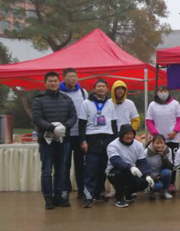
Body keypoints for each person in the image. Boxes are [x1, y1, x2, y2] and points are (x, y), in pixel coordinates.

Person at [33, 71, 77, 210]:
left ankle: (59, 196)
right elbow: (37, 118)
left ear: (59, 82)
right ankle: (48, 198)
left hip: (63, 141)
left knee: (61, 170)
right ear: (45, 83)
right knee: (47, 171)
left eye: (55, 81)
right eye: (50, 81)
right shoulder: (39, 100)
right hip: (46, 142)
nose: (53, 83)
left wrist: (65, 127)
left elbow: (73, 116)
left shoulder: (66, 99)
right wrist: (52, 128)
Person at [79, 78, 118, 208]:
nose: (101, 88)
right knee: (91, 169)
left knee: (103, 168)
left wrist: (116, 141)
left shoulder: (110, 103)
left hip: (107, 138)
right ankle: (88, 196)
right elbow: (82, 123)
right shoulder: (86, 103)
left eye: (103, 86)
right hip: (92, 138)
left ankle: (99, 193)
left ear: (107, 89)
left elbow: (113, 123)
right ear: (94, 89)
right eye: (98, 86)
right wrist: (83, 140)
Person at [105, 125, 151, 208]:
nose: (129, 136)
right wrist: (130, 167)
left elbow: (141, 163)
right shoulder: (112, 145)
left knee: (144, 182)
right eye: (126, 134)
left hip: (131, 172)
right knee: (119, 174)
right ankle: (119, 199)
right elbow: (116, 161)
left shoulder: (139, 145)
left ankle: (127, 193)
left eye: (131, 134)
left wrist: (147, 175)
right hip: (114, 172)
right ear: (121, 134)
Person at [59, 67, 87, 199]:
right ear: (64, 78)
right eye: (70, 77)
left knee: (81, 165)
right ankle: (65, 190)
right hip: (64, 134)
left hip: (80, 135)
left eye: (74, 76)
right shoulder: (58, 92)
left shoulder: (83, 92)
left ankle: (82, 190)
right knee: (65, 164)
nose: (72, 79)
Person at [146, 86, 180, 155]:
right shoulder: (152, 105)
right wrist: (156, 134)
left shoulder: (175, 103)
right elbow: (149, 121)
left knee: (173, 158)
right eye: (161, 91)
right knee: (159, 158)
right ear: (157, 92)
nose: (163, 93)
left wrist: (175, 131)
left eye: (165, 91)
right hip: (158, 141)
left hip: (173, 139)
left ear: (168, 92)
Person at [144, 134, 173, 200]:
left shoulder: (168, 150)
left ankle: (165, 191)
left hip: (162, 173)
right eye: (157, 143)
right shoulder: (146, 152)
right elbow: (144, 166)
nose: (159, 145)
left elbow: (170, 167)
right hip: (151, 174)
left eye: (161, 143)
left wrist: (164, 157)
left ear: (164, 143)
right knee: (158, 187)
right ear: (153, 143)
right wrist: (151, 176)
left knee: (167, 172)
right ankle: (152, 191)